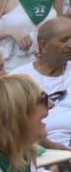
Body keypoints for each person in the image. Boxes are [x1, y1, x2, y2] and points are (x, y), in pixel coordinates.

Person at [10, 16, 71, 147]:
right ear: (44, 45)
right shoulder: (19, 78)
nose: (70, 44)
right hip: (37, 149)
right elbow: (11, 125)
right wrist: (50, 147)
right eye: (64, 40)